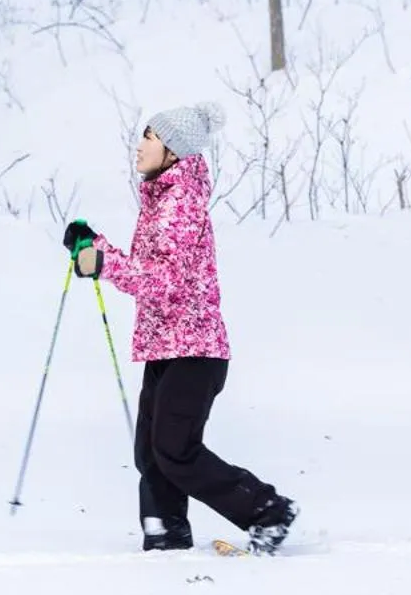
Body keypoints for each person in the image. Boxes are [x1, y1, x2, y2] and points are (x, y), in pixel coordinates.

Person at [66, 102, 298, 553]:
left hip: (195, 351)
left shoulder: (180, 205)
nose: (139, 146)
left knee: (175, 451)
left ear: (173, 151)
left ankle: (268, 511)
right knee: (151, 454)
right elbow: (147, 269)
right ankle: (165, 532)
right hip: (168, 347)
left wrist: (102, 263)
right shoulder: (163, 201)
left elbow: (162, 282)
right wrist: (93, 246)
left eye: (149, 138)